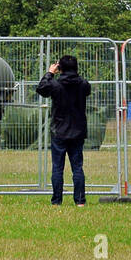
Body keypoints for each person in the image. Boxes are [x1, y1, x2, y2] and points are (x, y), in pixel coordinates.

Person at [35, 55, 91, 205]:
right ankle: (80, 201)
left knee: (57, 168)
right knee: (77, 167)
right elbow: (86, 89)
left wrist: (50, 73)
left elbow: (41, 89)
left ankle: (57, 201)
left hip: (59, 131)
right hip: (78, 131)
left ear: (60, 68)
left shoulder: (55, 85)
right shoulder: (83, 84)